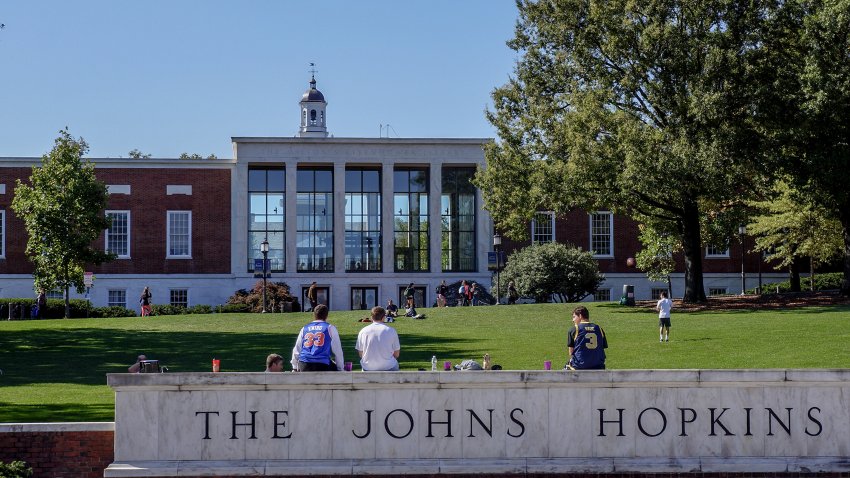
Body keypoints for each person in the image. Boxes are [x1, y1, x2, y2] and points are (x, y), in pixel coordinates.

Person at [292, 304, 344, 371]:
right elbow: (337, 350)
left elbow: (297, 348)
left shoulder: (304, 328)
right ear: (326, 315)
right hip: (322, 364)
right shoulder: (330, 328)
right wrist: (340, 368)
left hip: (304, 363)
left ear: (314, 315)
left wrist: (294, 366)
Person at [356, 306, 401, 371]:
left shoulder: (363, 331)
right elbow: (396, 354)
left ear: (371, 318)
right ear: (383, 317)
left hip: (368, 368)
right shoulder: (391, 330)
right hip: (388, 367)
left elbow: (361, 354)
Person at [566, 306, 607, 370]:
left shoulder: (574, 329)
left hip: (580, 365)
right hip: (598, 365)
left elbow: (571, 353)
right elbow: (602, 348)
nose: (573, 320)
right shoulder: (599, 328)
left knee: (566, 367)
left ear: (580, 315)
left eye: (574, 317)